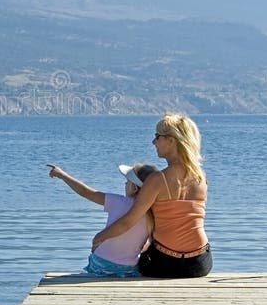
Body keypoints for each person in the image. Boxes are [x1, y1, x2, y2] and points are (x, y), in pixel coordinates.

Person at [91, 113, 212, 278]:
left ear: (171, 140)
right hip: (200, 262)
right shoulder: (201, 177)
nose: (153, 142)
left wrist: (99, 238)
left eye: (157, 137)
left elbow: (129, 221)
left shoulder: (157, 179)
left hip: (165, 263)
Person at [48, 162, 159, 277]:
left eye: (127, 182)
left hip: (102, 264)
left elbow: (86, 192)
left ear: (134, 188)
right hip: (129, 268)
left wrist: (62, 174)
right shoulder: (152, 213)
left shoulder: (117, 201)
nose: (125, 184)